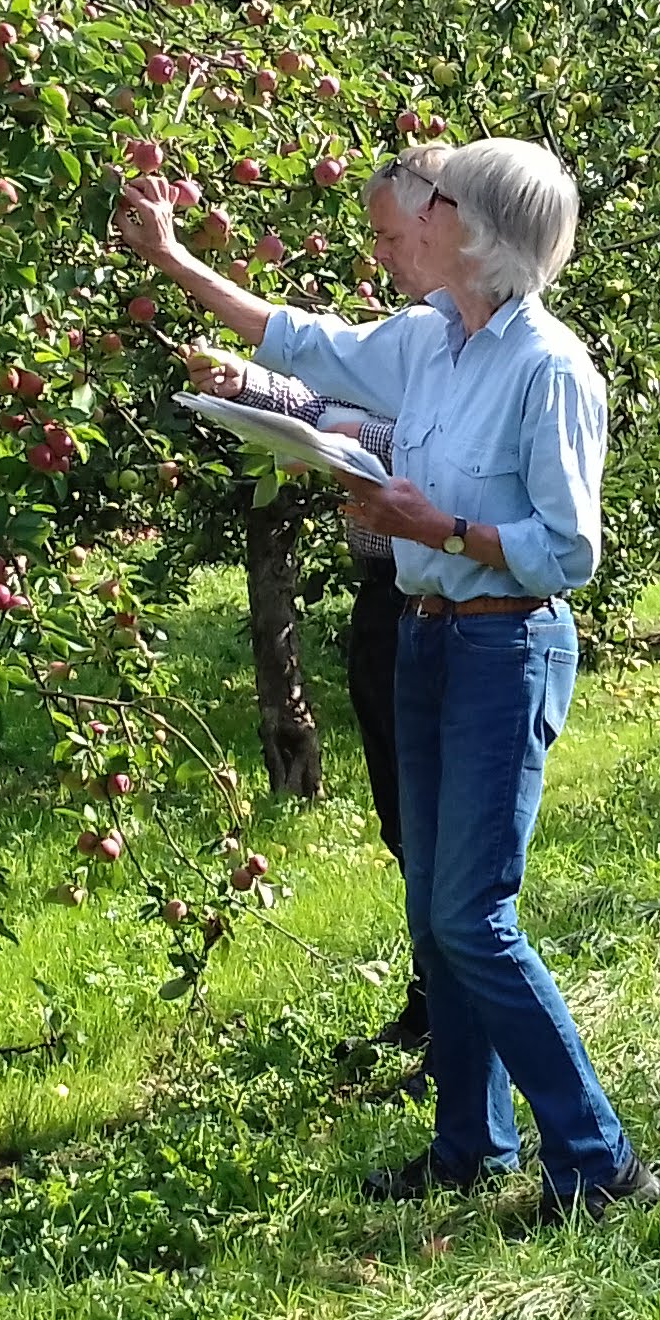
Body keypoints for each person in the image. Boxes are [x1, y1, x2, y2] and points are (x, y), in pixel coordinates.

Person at [116, 138, 659, 1221]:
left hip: (508, 645)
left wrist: (438, 523)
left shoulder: (551, 369)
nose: (420, 211)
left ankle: (601, 1166)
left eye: (440, 199)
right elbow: (303, 343)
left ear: (483, 228)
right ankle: (469, 1147)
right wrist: (174, 260)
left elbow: (568, 550)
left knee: (474, 916)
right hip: (426, 639)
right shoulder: (432, 344)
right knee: (432, 910)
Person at [177, 342, 429, 1051]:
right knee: (403, 822)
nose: (382, 253)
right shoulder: (415, 328)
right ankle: (434, 1002)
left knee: (442, 842)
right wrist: (248, 384)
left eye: (393, 234)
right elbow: (324, 403)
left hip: (446, 603)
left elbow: (451, 445)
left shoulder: (486, 338)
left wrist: (358, 441)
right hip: (387, 597)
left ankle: (460, 1033)